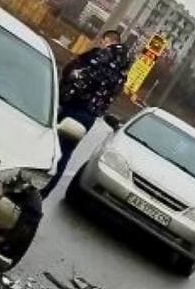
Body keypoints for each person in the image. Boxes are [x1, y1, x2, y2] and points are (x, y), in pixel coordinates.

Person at [42, 29, 130, 198]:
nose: (101, 45)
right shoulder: (123, 70)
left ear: (108, 41)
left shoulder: (100, 56)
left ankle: (31, 183)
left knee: (48, 142)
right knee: (65, 152)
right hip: (89, 115)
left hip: (72, 106)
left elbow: (78, 76)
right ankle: (44, 192)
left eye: (103, 42)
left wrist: (65, 91)